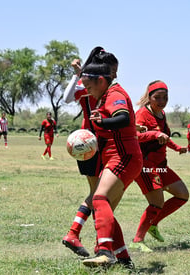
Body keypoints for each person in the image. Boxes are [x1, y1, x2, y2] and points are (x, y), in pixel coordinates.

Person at [80, 47, 142, 267]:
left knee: (99, 199)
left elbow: (123, 118)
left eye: (89, 87)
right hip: (118, 156)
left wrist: (102, 122)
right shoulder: (106, 92)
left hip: (123, 155)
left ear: (100, 81)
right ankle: (124, 259)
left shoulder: (114, 94)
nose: (88, 92)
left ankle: (106, 252)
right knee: (104, 208)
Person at [61, 47, 118, 258]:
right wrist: (79, 74)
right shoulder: (95, 86)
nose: (115, 75)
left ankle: (82, 236)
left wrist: (79, 74)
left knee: (99, 196)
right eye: (113, 70)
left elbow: (68, 97)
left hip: (89, 142)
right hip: (94, 143)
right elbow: (68, 98)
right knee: (99, 197)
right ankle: (82, 238)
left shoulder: (97, 85)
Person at [129, 80, 189, 253]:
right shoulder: (142, 114)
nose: (162, 101)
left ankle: (153, 223)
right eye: (157, 97)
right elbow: (135, 136)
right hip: (145, 165)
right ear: (149, 97)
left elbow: (163, 137)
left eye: (165, 97)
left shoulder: (162, 114)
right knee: (157, 202)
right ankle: (137, 241)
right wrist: (155, 133)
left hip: (161, 165)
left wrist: (177, 147)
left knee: (182, 194)